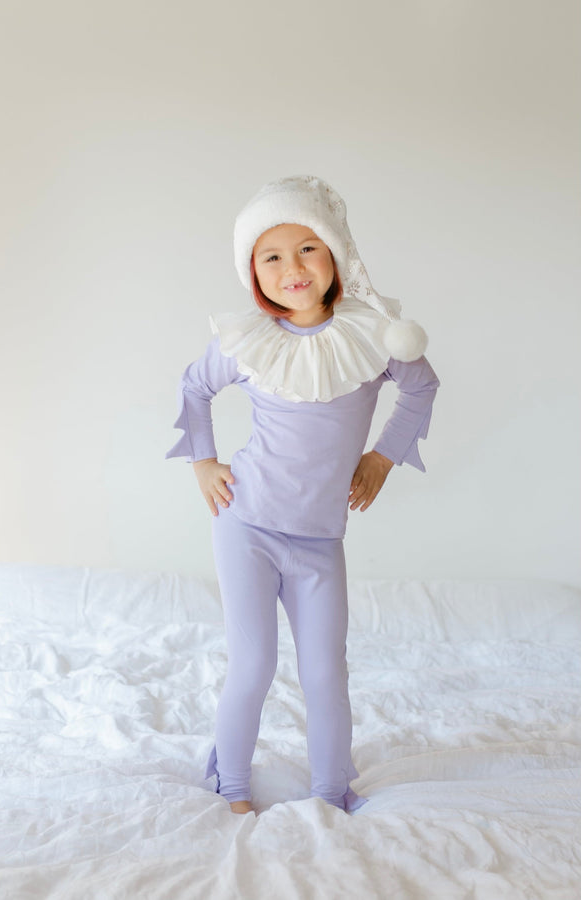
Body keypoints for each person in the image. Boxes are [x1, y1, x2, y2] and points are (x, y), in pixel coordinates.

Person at [166, 175, 439, 815]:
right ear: (253, 273)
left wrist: (382, 456)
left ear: (337, 255)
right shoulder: (250, 343)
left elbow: (423, 387)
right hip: (248, 525)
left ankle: (329, 790)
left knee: (324, 673)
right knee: (254, 664)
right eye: (273, 255)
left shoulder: (373, 338)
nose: (293, 267)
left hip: (319, 539)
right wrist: (204, 463)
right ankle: (230, 785)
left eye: (309, 248)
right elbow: (194, 386)